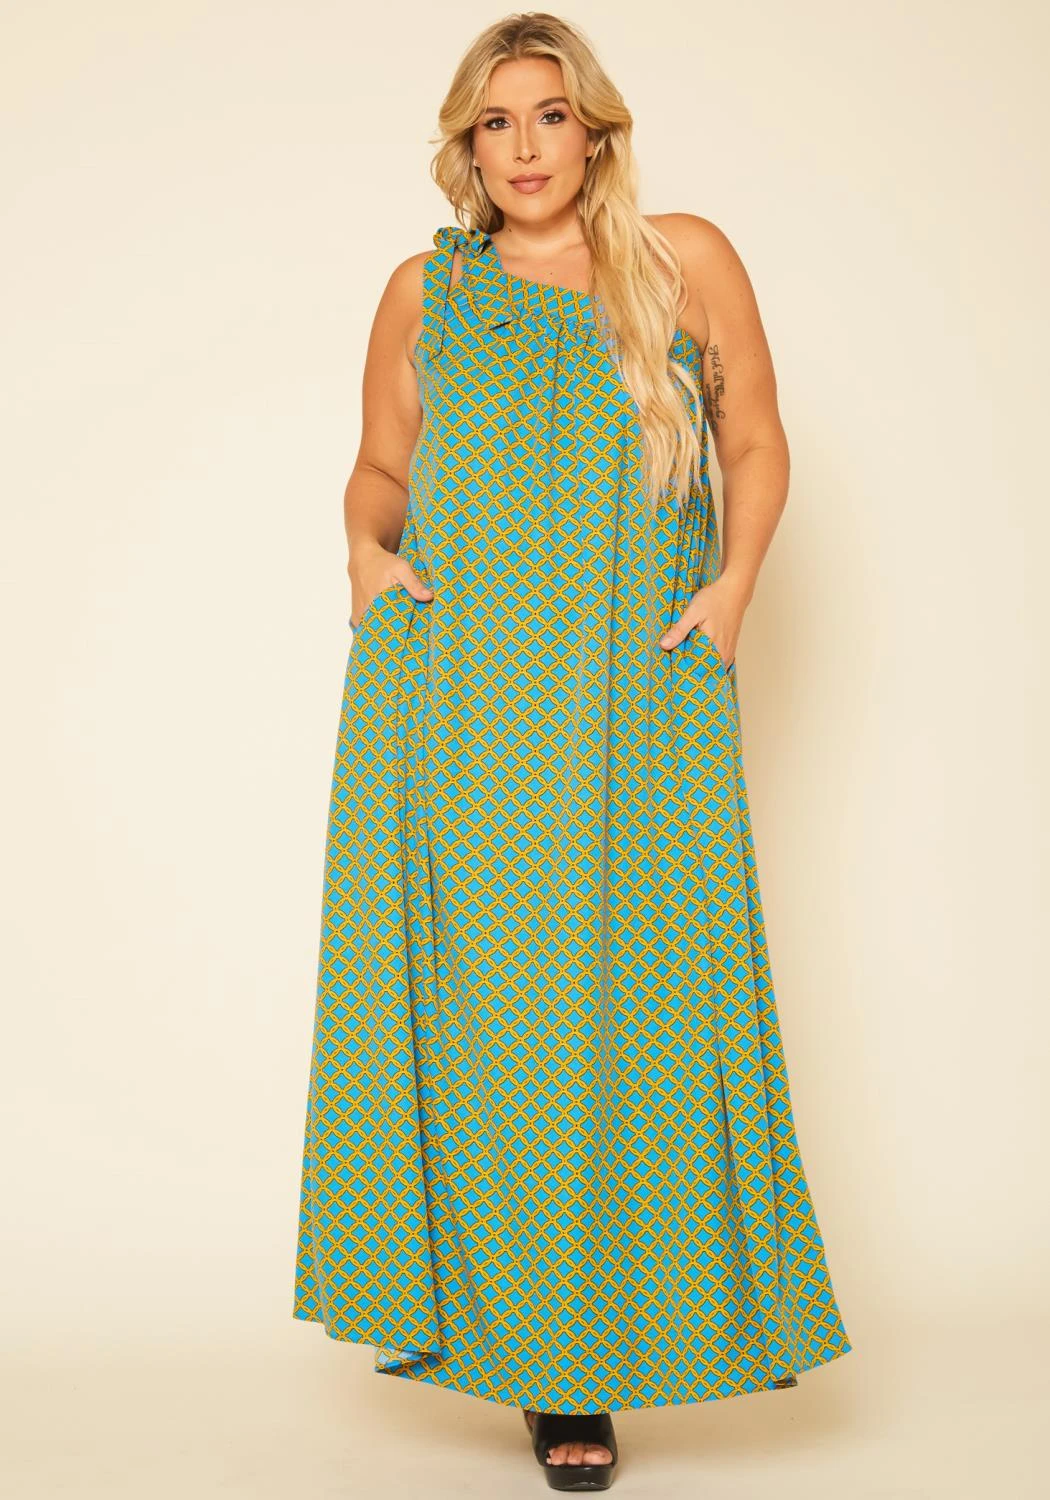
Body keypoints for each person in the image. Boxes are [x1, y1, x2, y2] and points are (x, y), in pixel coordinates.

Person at [292, 12, 852, 1491]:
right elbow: (380, 467)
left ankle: (641, 1329)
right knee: (500, 1027)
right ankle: (553, 1375)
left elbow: (754, 441)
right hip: (458, 698)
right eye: (495, 122)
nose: (524, 146)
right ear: (465, 147)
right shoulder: (426, 291)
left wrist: (731, 591)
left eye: (549, 115)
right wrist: (364, 555)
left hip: (637, 690)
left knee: (646, 1010)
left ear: (594, 132)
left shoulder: (682, 260)